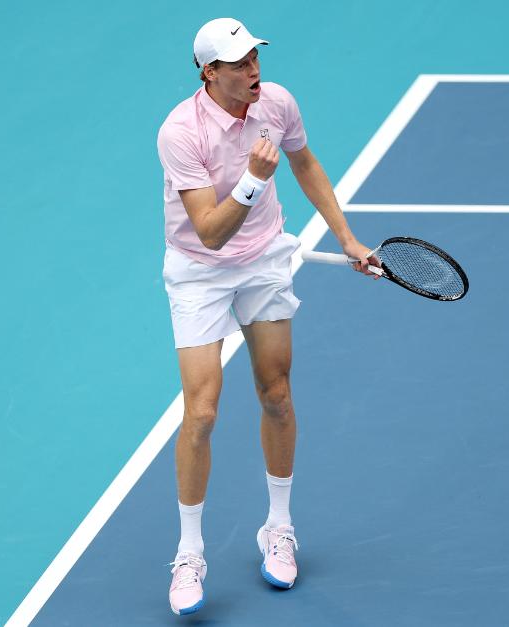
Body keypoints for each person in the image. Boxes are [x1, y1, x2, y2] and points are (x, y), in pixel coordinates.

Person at [157, 17, 379, 616]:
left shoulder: (276, 102)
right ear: (210, 73)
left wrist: (346, 237)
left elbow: (305, 163)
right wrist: (254, 181)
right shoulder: (180, 132)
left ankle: (278, 527)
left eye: (255, 57)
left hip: (262, 261)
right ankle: (189, 552)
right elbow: (209, 232)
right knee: (202, 410)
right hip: (199, 271)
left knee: (276, 392)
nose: (254, 70)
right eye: (240, 63)